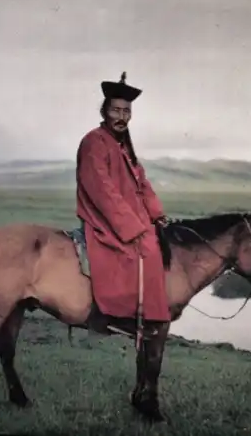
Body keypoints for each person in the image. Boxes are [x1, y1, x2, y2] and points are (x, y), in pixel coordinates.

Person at [75, 72, 170, 336]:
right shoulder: (94, 141)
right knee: (145, 251)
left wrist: (156, 213)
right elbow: (101, 188)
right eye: (116, 110)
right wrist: (130, 225)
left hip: (130, 216)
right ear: (105, 111)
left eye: (126, 112)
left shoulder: (124, 146)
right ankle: (119, 317)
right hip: (104, 217)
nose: (122, 117)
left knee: (156, 240)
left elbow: (142, 183)